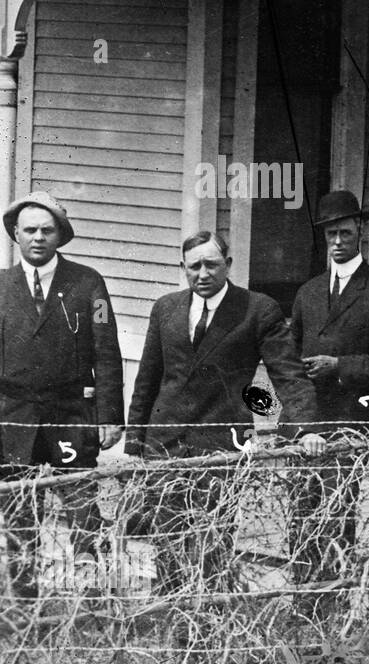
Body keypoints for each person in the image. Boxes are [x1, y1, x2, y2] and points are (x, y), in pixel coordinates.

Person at [125, 231, 326, 592]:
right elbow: (147, 381)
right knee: (167, 538)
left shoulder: (256, 309)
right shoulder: (165, 308)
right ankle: (172, 623)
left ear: (228, 265)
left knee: (212, 543)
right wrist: (133, 445)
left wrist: (306, 428)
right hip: (165, 444)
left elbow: (288, 375)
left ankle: (213, 626)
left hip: (220, 444)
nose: (203, 274)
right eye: (194, 266)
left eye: (211, 265)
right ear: (183, 268)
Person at [0, 192, 124, 598]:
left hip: (70, 411)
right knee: (21, 513)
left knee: (82, 507)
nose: (38, 237)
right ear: (15, 235)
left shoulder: (89, 283)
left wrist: (109, 414)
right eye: (29, 230)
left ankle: (90, 600)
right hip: (14, 415)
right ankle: (24, 606)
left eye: (47, 230)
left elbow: (106, 352)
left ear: (60, 235)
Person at [290, 191, 369, 585]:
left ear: (360, 229)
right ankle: (302, 597)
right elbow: (289, 361)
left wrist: (339, 366)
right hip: (306, 422)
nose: (337, 242)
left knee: (337, 514)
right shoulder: (308, 292)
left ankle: (334, 599)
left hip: (349, 422)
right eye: (330, 235)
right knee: (300, 514)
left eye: (344, 232)